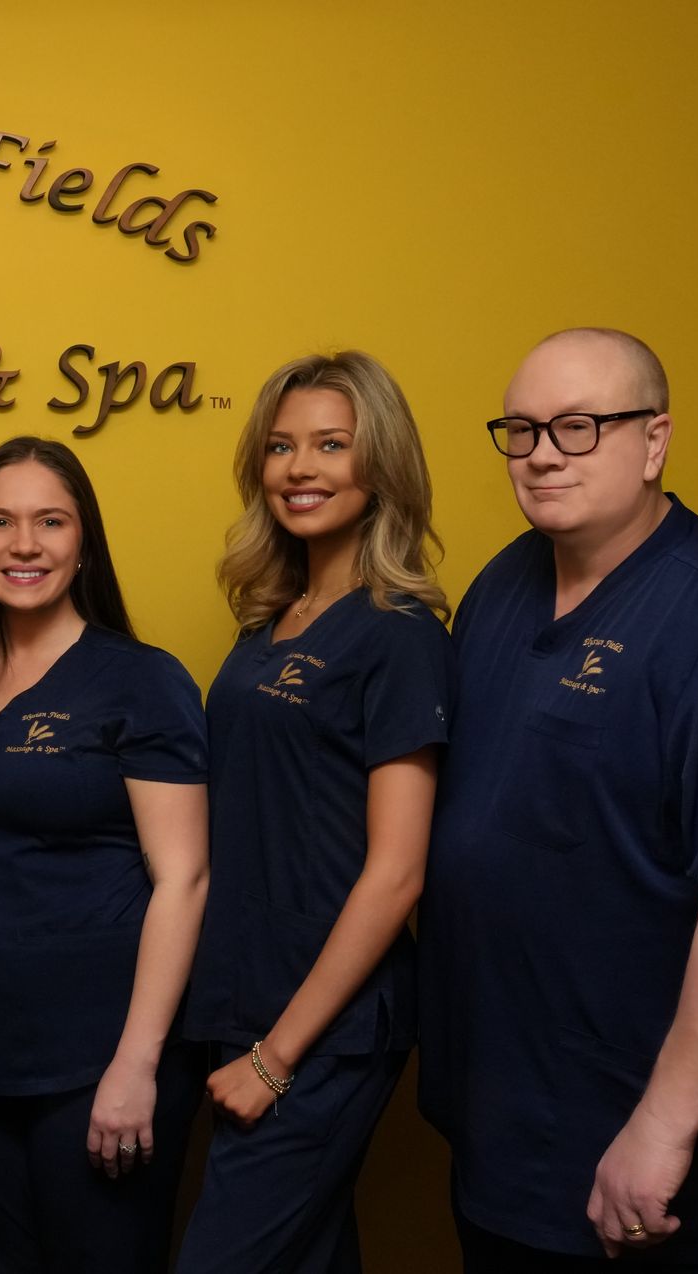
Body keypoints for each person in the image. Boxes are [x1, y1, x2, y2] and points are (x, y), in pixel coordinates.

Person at [418, 328, 698, 1270]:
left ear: (655, 441)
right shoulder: (504, 586)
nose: (543, 452)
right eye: (523, 428)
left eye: (580, 427)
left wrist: (663, 1130)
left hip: (656, 1171)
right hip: (511, 1142)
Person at [0, 436, 210, 1273]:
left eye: (50, 521)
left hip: (96, 1060)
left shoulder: (141, 680)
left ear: (84, 541)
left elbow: (184, 878)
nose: (24, 545)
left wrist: (136, 1065)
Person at [177, 352, 452, 1273]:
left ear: (380, 467)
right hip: (245, 993)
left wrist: (277, 1056)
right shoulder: (270, 621)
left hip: (325, 1023)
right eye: (282, 447)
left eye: (332, 445)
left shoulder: (400, 631)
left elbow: (399, 869)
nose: (301, 469)